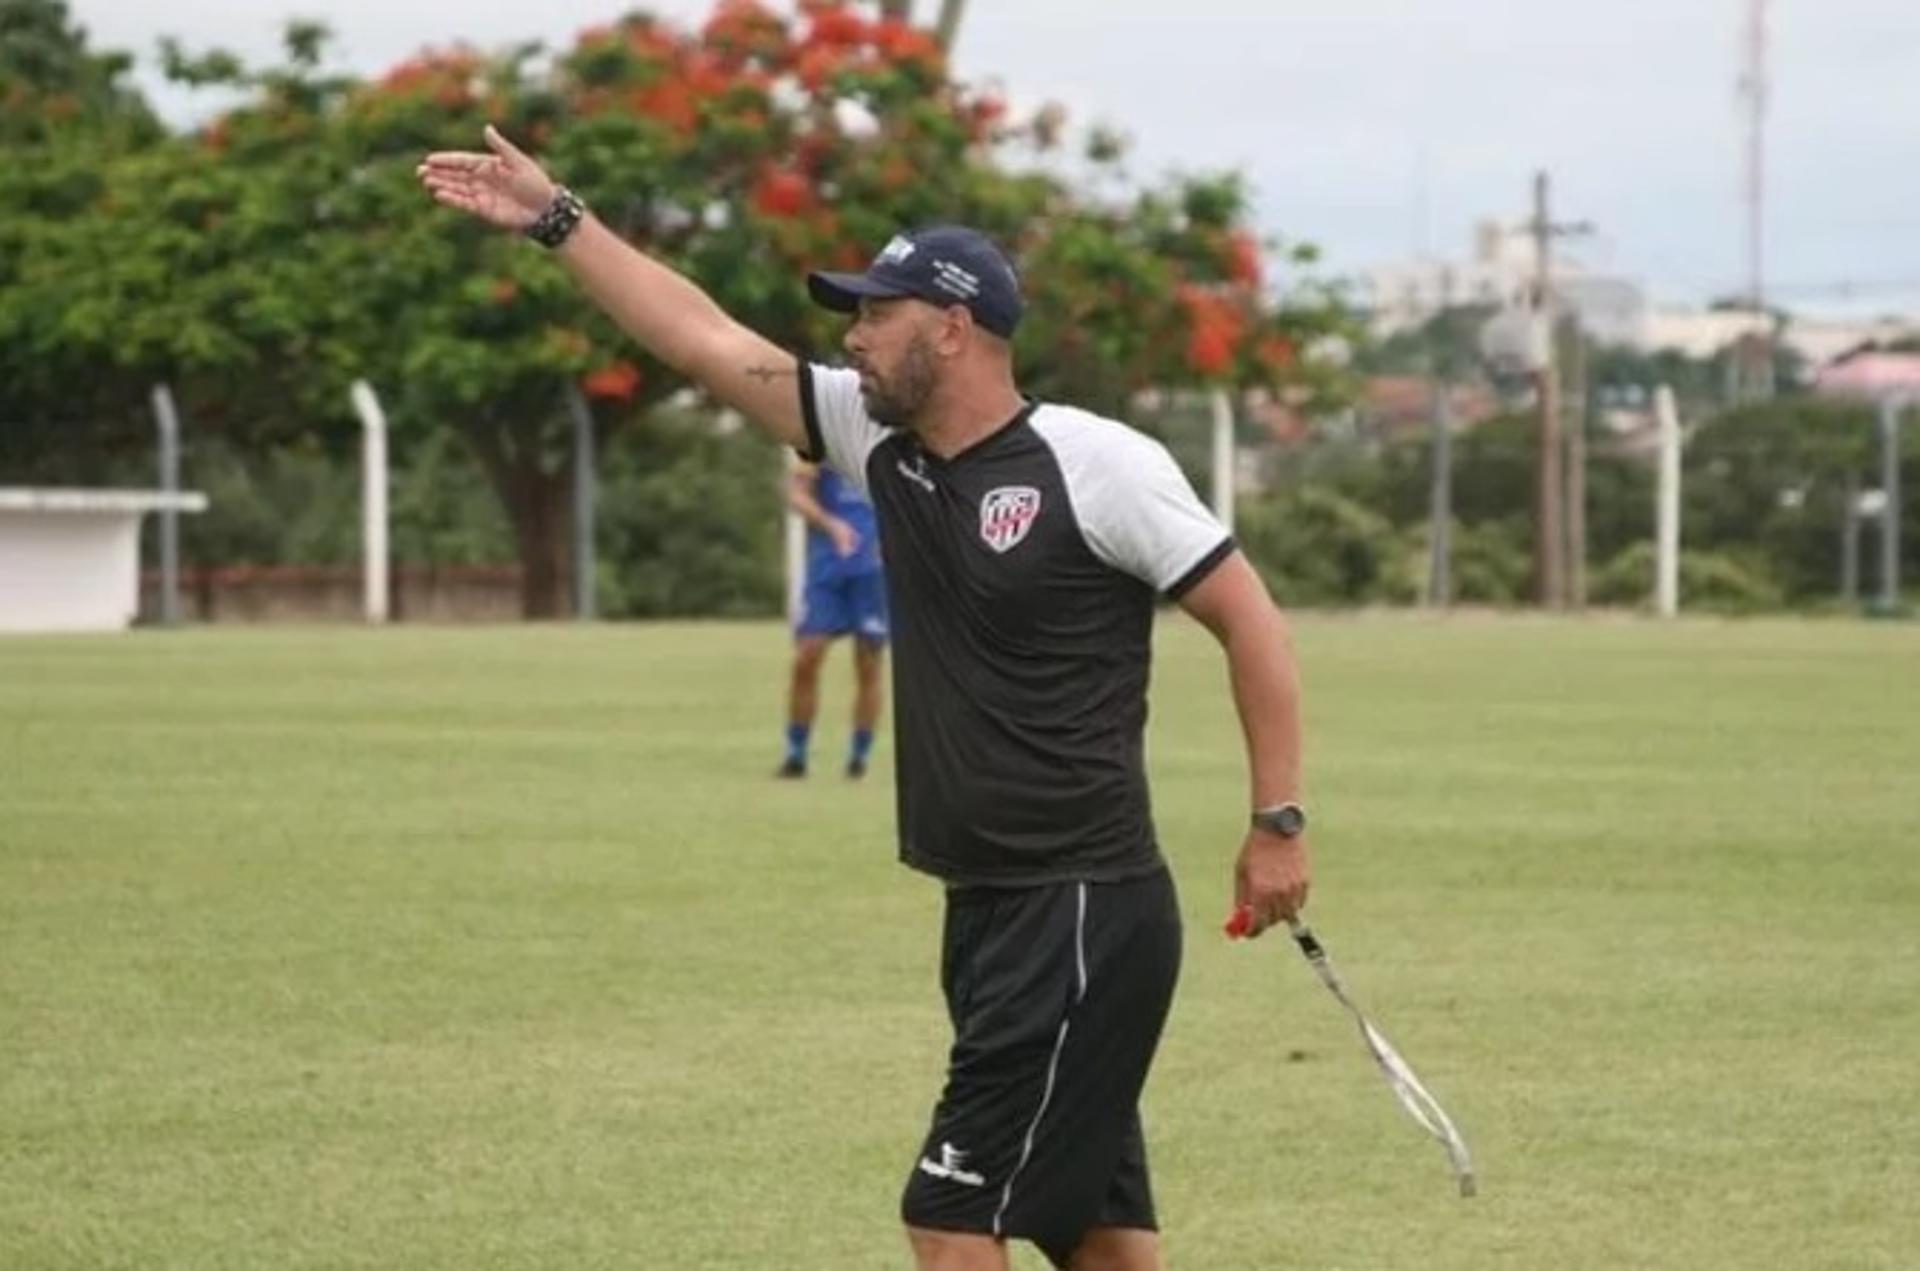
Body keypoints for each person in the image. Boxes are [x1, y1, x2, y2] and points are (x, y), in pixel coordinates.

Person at [419, 126, 1311, 1271]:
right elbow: (701, 339)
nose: (853, 333)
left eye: (875, 312)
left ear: (951, 328)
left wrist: (1278, 820)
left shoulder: (1098, 464)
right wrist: (558, 220)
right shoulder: (874, 442)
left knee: (949, 1219)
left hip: (1080, 906)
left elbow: (1253, 619)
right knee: (1091, 1228)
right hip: (989, 906)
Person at [780, 458, 888, 779]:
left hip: (873, 570)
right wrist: (832, 525)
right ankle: (796, 755)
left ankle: (859, 758)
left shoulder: (891, 437)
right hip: (829, 566)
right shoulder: (819, 444)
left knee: (869, 662)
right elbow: (796, 494)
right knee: (807, 657)